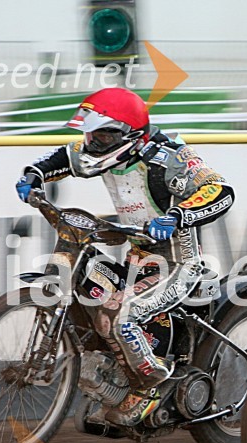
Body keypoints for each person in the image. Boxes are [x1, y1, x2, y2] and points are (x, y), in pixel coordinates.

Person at [15, 87, 234, 426]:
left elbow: (220, 191)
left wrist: (177, 217)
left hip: (179, 264)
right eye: (91, 133)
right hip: (138, 257)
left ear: (128, 134)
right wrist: (34, 174)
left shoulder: (170, 158)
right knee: (85, 284)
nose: (93, 142)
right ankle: (109, 370)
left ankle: (150, 384)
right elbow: (66, 155)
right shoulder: (99, 150)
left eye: (102, 134)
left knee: (120, 313)